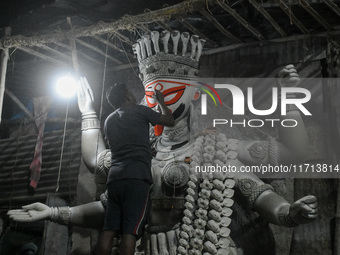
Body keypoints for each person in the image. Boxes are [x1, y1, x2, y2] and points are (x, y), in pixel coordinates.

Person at [8, 31, 318, 255]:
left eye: (168, 95)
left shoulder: (215, 152)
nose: (158, 104)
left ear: (192, 95)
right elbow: (99, 172)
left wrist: (289, 213)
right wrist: (54, 214)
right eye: (152, 96)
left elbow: (283, 168)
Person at [96, 81, 174, 255]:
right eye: (130, 92)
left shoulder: (108, 121)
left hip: (114, 180)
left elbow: (121, 144)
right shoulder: (140, 111)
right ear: (127, 96)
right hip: (136, 178)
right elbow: (170, 120)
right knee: (129, 232)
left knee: (108, 230)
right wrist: (161, 101)